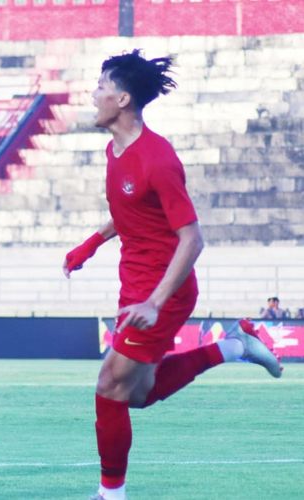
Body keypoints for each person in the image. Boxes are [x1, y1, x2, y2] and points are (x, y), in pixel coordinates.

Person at [62, 50, 282, 500]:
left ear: (122, 99)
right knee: (136, 395)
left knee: (109, 385)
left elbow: (192, 239)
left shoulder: (157, 159)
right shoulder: (115, 149)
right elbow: (131, 212)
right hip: (138, 285)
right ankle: (233, 347)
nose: (94, 93)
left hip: (165, 290)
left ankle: (111, 494)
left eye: (102, 86)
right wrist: (91, 244)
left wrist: (156, 302)